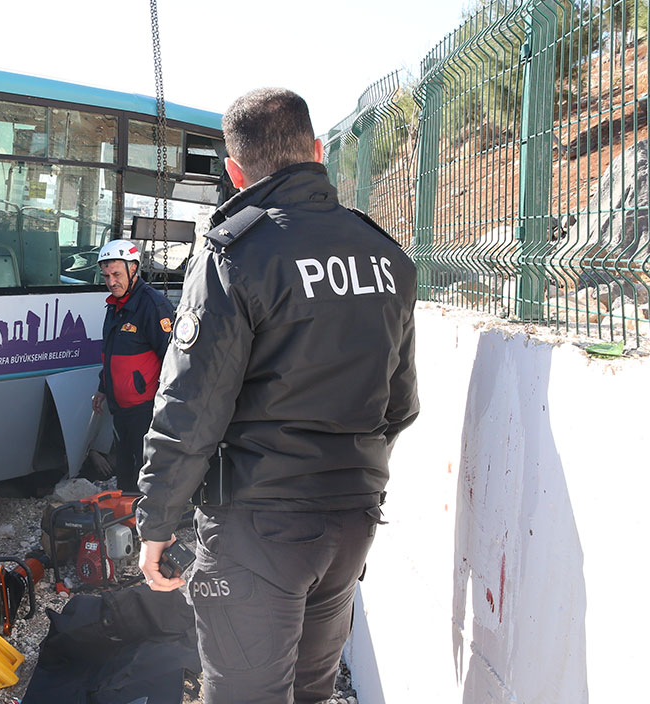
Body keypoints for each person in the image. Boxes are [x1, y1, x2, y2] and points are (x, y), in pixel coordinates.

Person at [136, 88, 420, 704]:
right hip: (352, 520)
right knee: (311, 688)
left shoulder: (234, 254)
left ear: (235, 173)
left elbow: (193, 407)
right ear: (318, 151)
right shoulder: (386, 255)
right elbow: (401, 405)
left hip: (258, 526)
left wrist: (157, 521)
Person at [90, 239, 175, 492]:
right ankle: (126, 520)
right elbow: (111, 352)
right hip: (120, 407)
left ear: (133, 269)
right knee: (125, 467)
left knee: (146, 468)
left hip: (145, 408)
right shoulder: (114, 305)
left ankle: (148, 526)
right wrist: (103, 387)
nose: (111, 281)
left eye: (116, 274)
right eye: (106, 276)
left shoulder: (153, 305)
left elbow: (172, 358)